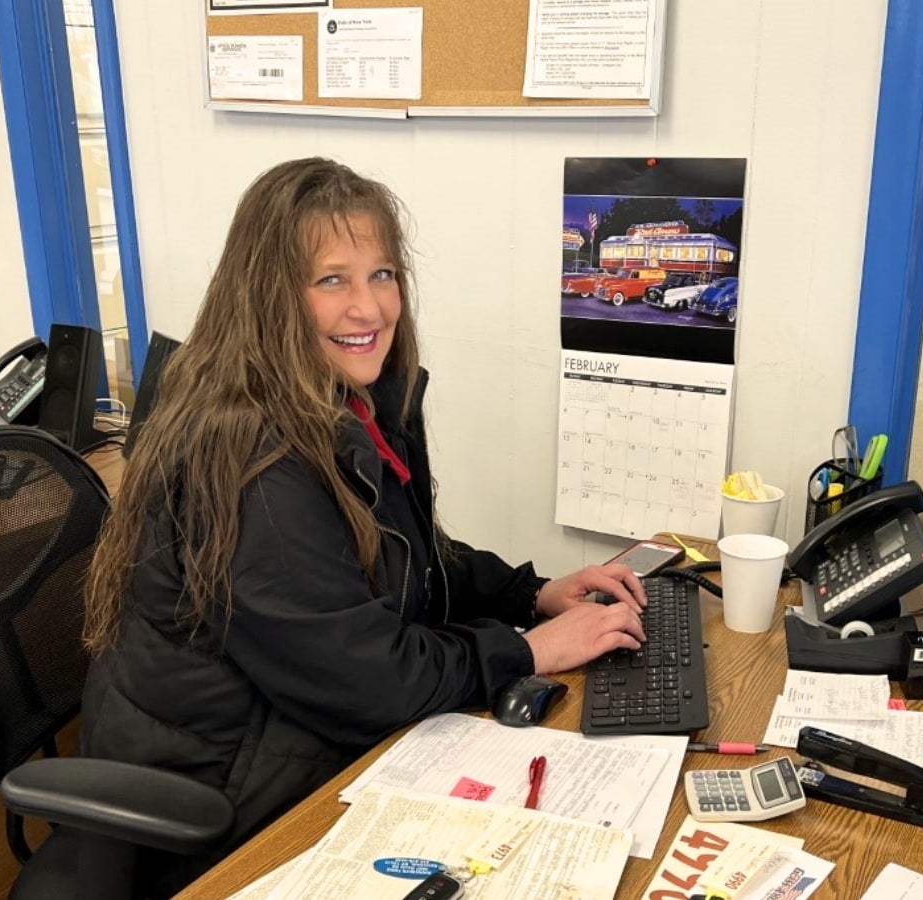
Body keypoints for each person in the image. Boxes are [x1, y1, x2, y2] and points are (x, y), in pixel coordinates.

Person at [79, 157, 647, 893]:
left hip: (297, 737)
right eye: (331, 280)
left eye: (383, 275)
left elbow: (409, 554)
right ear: (269, 297)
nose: (370, 309)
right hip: (229, 791)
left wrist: (528, 595)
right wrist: (524, 652)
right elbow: (365, 678)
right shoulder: (254, 463)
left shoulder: (344, 404)